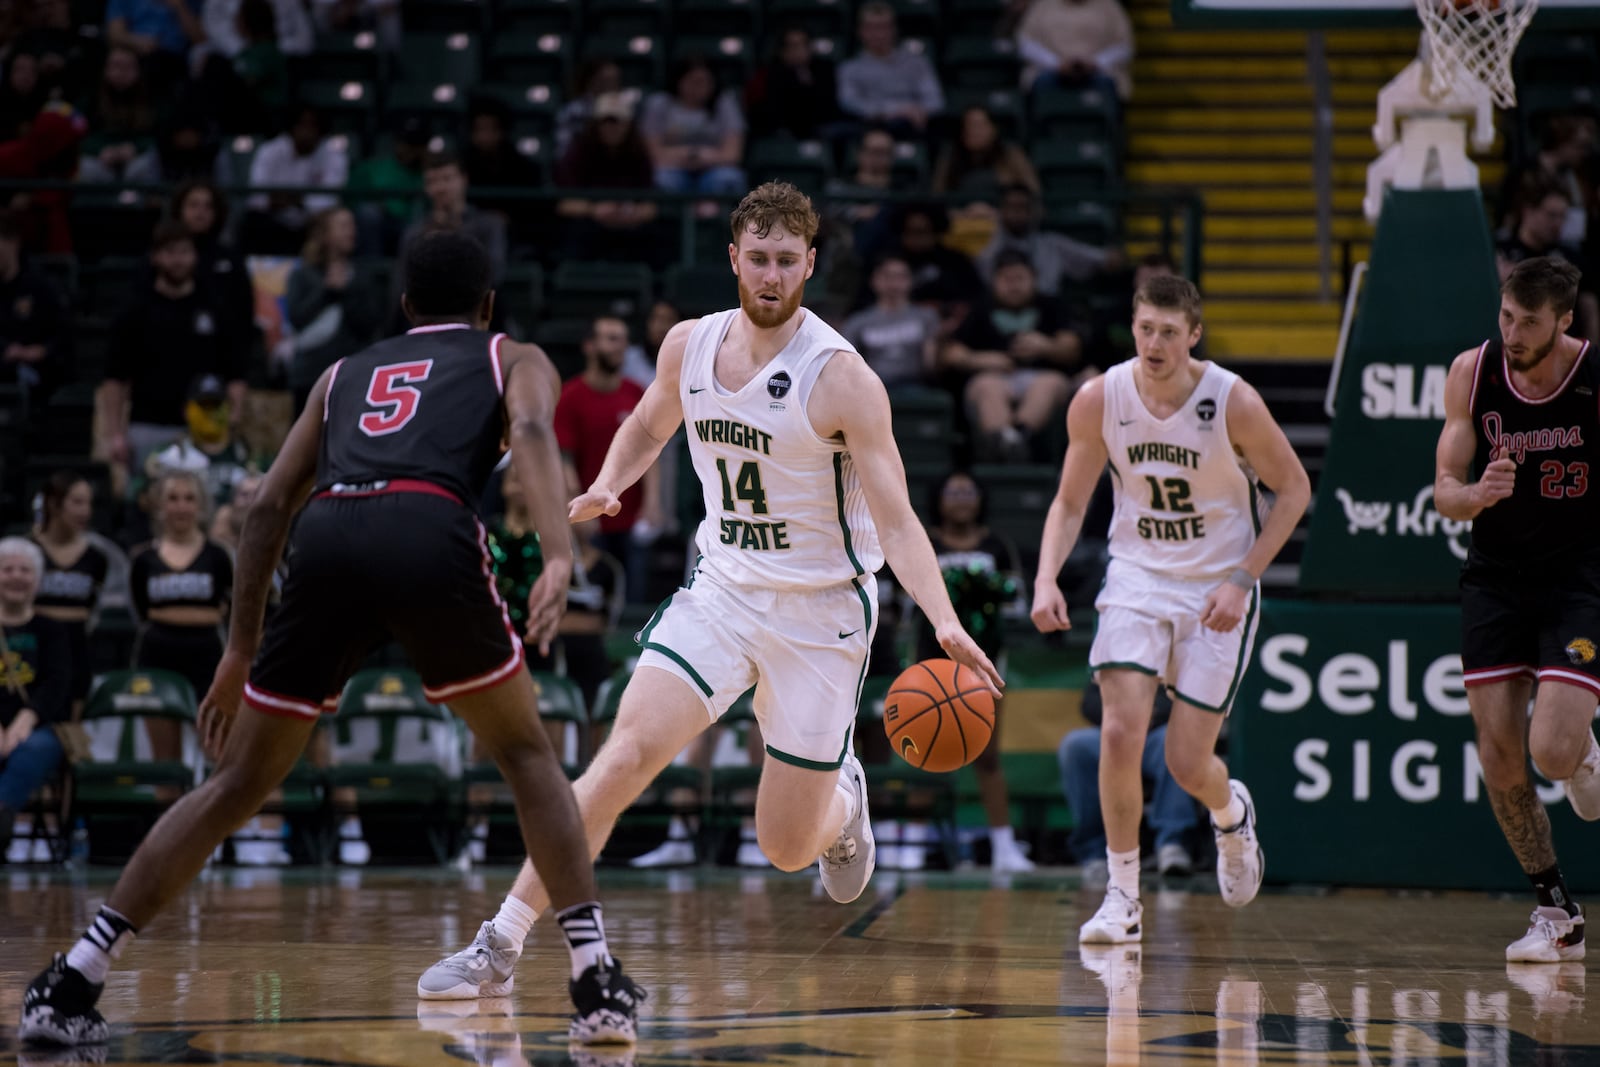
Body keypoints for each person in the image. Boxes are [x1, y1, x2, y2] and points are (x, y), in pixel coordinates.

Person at [18, 231, 645, 1048]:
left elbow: (267, 509)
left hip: (329, 531)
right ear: (490, 304)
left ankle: (74, 978)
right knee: (527, 756)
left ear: (404, 305)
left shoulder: (342, 372)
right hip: (428, 521)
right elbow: (529, 427)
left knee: (237, 781)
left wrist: (239, 649)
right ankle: (595, 979)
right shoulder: (512, 353)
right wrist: (559, 554)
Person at [416, 182, 1002, 1000]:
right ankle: (500, 942)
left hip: (822, 611)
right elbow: (653, 422)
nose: (769, 275)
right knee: (621, 758)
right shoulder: (688, 345)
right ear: (733, 257)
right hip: (723, 590)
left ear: (810, 264)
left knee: (788, 845)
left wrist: (943, 620)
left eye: (786, 261)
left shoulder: (843, 379)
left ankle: (841, 800)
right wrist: (611, 484)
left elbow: (899, 522)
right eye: (756, 258)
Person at [1030, 273, 1310, 943]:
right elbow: (1070, 503)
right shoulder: (1101, 397)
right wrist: (1046, 578)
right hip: (1137, 575)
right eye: (1144, 329)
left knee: (1188, 762)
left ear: (1194, 335)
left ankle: (1229, 812)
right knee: (1121, 731)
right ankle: (1122, 895)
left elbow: (1295, 489)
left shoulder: (1231, 401)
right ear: (1133, 329)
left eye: (1168, 332)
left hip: (1217, 582)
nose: (1154, 343)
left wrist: (1243, 577)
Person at [1433, 256, 1600, 963]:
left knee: (1553, 751)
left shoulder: (1592, 377)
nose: (1512, 332)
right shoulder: (1473, 372)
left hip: (1579, 578)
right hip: (1497, 577)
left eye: (1529, 322)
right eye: (1506, 316)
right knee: (1499, 751)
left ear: (1564, 321)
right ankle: (1554, 908)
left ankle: (1585, 749)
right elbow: (1444, 487)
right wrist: (1476, 496)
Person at [912, 470, 1033, 872]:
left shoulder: (997, 545)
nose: (961, 498)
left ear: (980, 499)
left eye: (968, 491)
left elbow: (1016, 601)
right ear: (938, 499)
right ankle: (912, 845)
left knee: (987, 757)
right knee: (924, 754)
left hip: (985, 666)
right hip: (929, 669)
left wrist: (982, 591)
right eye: (953, 491)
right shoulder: (923, 543)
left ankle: (1003, 847)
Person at [98, 222, 249, 476]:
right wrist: (115, 434)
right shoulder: (134, 311)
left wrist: (232, 421)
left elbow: (235, 372)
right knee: (148, 504)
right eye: (170, 252)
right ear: (155, 257)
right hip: (148, 425)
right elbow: (115, 378)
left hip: (206, 429)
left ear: (195, 256)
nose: (178, 260)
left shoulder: (216, 308)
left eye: (184, 252)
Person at [128, 469, 233, 767]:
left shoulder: (218, 556)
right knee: (165, 762)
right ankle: (168, 812)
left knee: (217, 753)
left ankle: (221, 815)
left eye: (189, 499)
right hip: (157, 655)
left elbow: (232, 607)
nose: (181, 506)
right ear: (159, 505)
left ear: (200, 506)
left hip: (208, 656)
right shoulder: (143, 558)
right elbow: (140, 611)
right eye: (172, 498)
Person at [555, 316, 661, 603]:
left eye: (623, 339)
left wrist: (652, 503)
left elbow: (651, 449)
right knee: (597, 596)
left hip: (632, 517)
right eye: (611, 338)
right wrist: (579, 502)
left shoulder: (636, 392)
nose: (620, 346)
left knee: (636, 597)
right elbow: (564, 460)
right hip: (592, 518)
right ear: (589, 345)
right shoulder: (571, 397)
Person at [1060, 679, 1197, 885]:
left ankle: (1172, 844)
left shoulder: (1172, 650)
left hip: (1156, 732)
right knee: (1076, 746)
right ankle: (1094, 854)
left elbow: (1189, 700)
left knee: (1175, 739)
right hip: (1114, 731)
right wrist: (1120, 716)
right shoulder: (1112, 649)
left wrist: (1149, 714)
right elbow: (1089, 702)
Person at [0, 536, 72, 859]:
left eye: (25, 570)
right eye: (8, 569)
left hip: (40, 726)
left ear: (38, 579)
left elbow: (59, 683)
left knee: (35, 747)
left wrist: (26, 718)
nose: (17, 576)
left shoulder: (52, 629)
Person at [286, 205, 382, 415]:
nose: (352, 231)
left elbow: (369, 323)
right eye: (343, 226)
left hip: (352, 374)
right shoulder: (303, 274)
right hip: (309, 375)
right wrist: (327, 291)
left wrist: (346, 292)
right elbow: (296, 317)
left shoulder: (362, 275)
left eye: (352, 225)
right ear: (325, 233)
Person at [30, 472, 114, 708]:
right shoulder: (26, 551)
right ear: (54, 503)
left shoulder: (97, 557)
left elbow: (94, 606)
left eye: (88, 503)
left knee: (73, 729)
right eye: (77, 502)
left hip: (77, 650)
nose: (85, 511)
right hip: (31, 648)